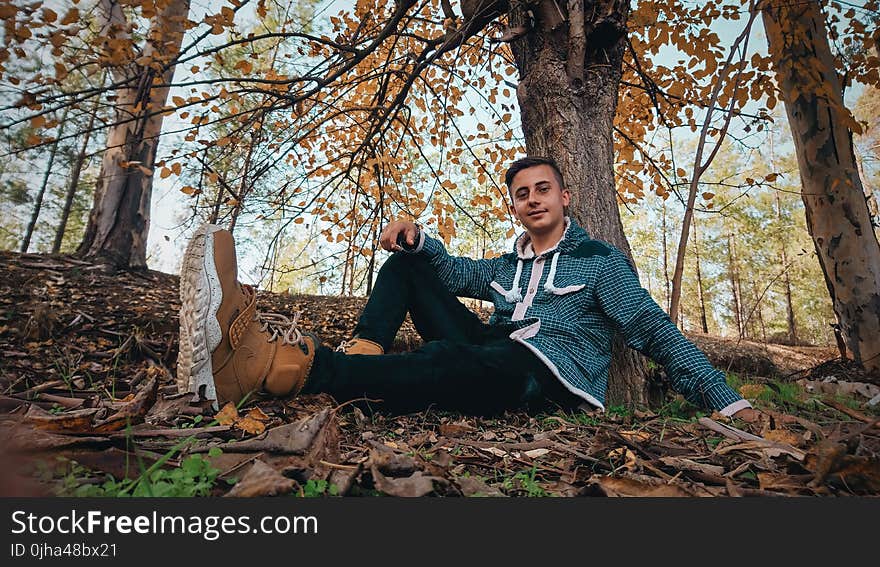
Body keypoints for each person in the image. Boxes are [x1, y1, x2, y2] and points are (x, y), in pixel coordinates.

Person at [176, 156, 761, 422]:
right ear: (515, 204)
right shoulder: (510, 264)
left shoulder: (598, 261)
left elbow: (652, 329)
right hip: (498, 346)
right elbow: (453, 275)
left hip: (552, 375)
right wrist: (418, 237)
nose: (531, 199)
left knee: (451, 358)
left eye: (542, 189)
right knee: (412, 269)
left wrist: (722, 398)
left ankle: (281, 370)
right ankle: (362, 357)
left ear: (564, 198)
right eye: (522, 193)